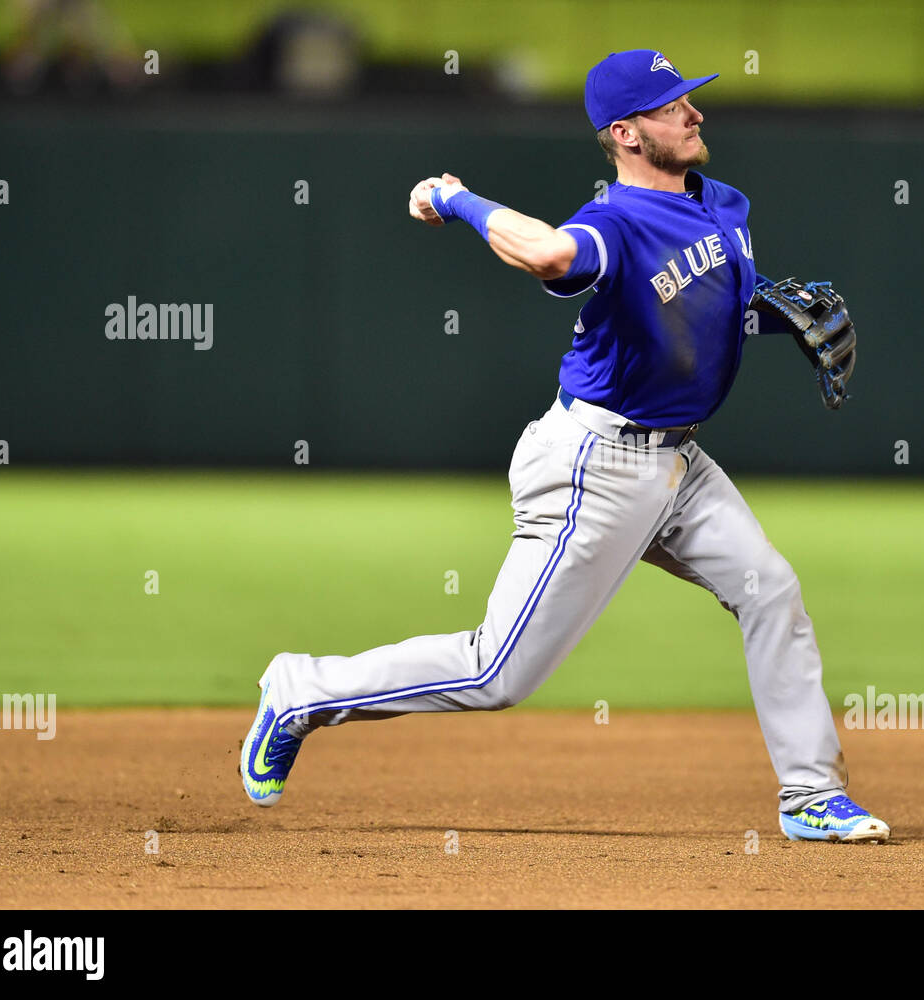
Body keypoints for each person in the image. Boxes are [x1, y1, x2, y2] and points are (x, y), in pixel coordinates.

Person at [242, 49, 889, 843]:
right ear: (625, 133)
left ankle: (810, 795)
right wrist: (457, 198)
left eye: (690, 99)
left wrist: (765, 318)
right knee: (496, 673)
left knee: (771, 590)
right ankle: (301, 690)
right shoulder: (612, 224)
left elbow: (698, 314)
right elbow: (549, 253)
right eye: (672, 106)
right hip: (597, 465)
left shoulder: (723, 204)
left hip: (681, 465)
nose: (693, 114)